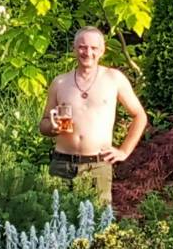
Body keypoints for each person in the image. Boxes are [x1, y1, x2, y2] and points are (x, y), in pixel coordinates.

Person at [39, 26, 147, 205]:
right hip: (61, 164)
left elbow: (140, 116)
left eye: (93, 48)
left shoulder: (114, 78)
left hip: (97, 165)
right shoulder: (60, 82)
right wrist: (52, 127)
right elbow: (43, 124)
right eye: (82, 47)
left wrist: (124, 151)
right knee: (57, 219)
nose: (88, 52)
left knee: (97, 218)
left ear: (102, 50)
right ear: (74, 49)